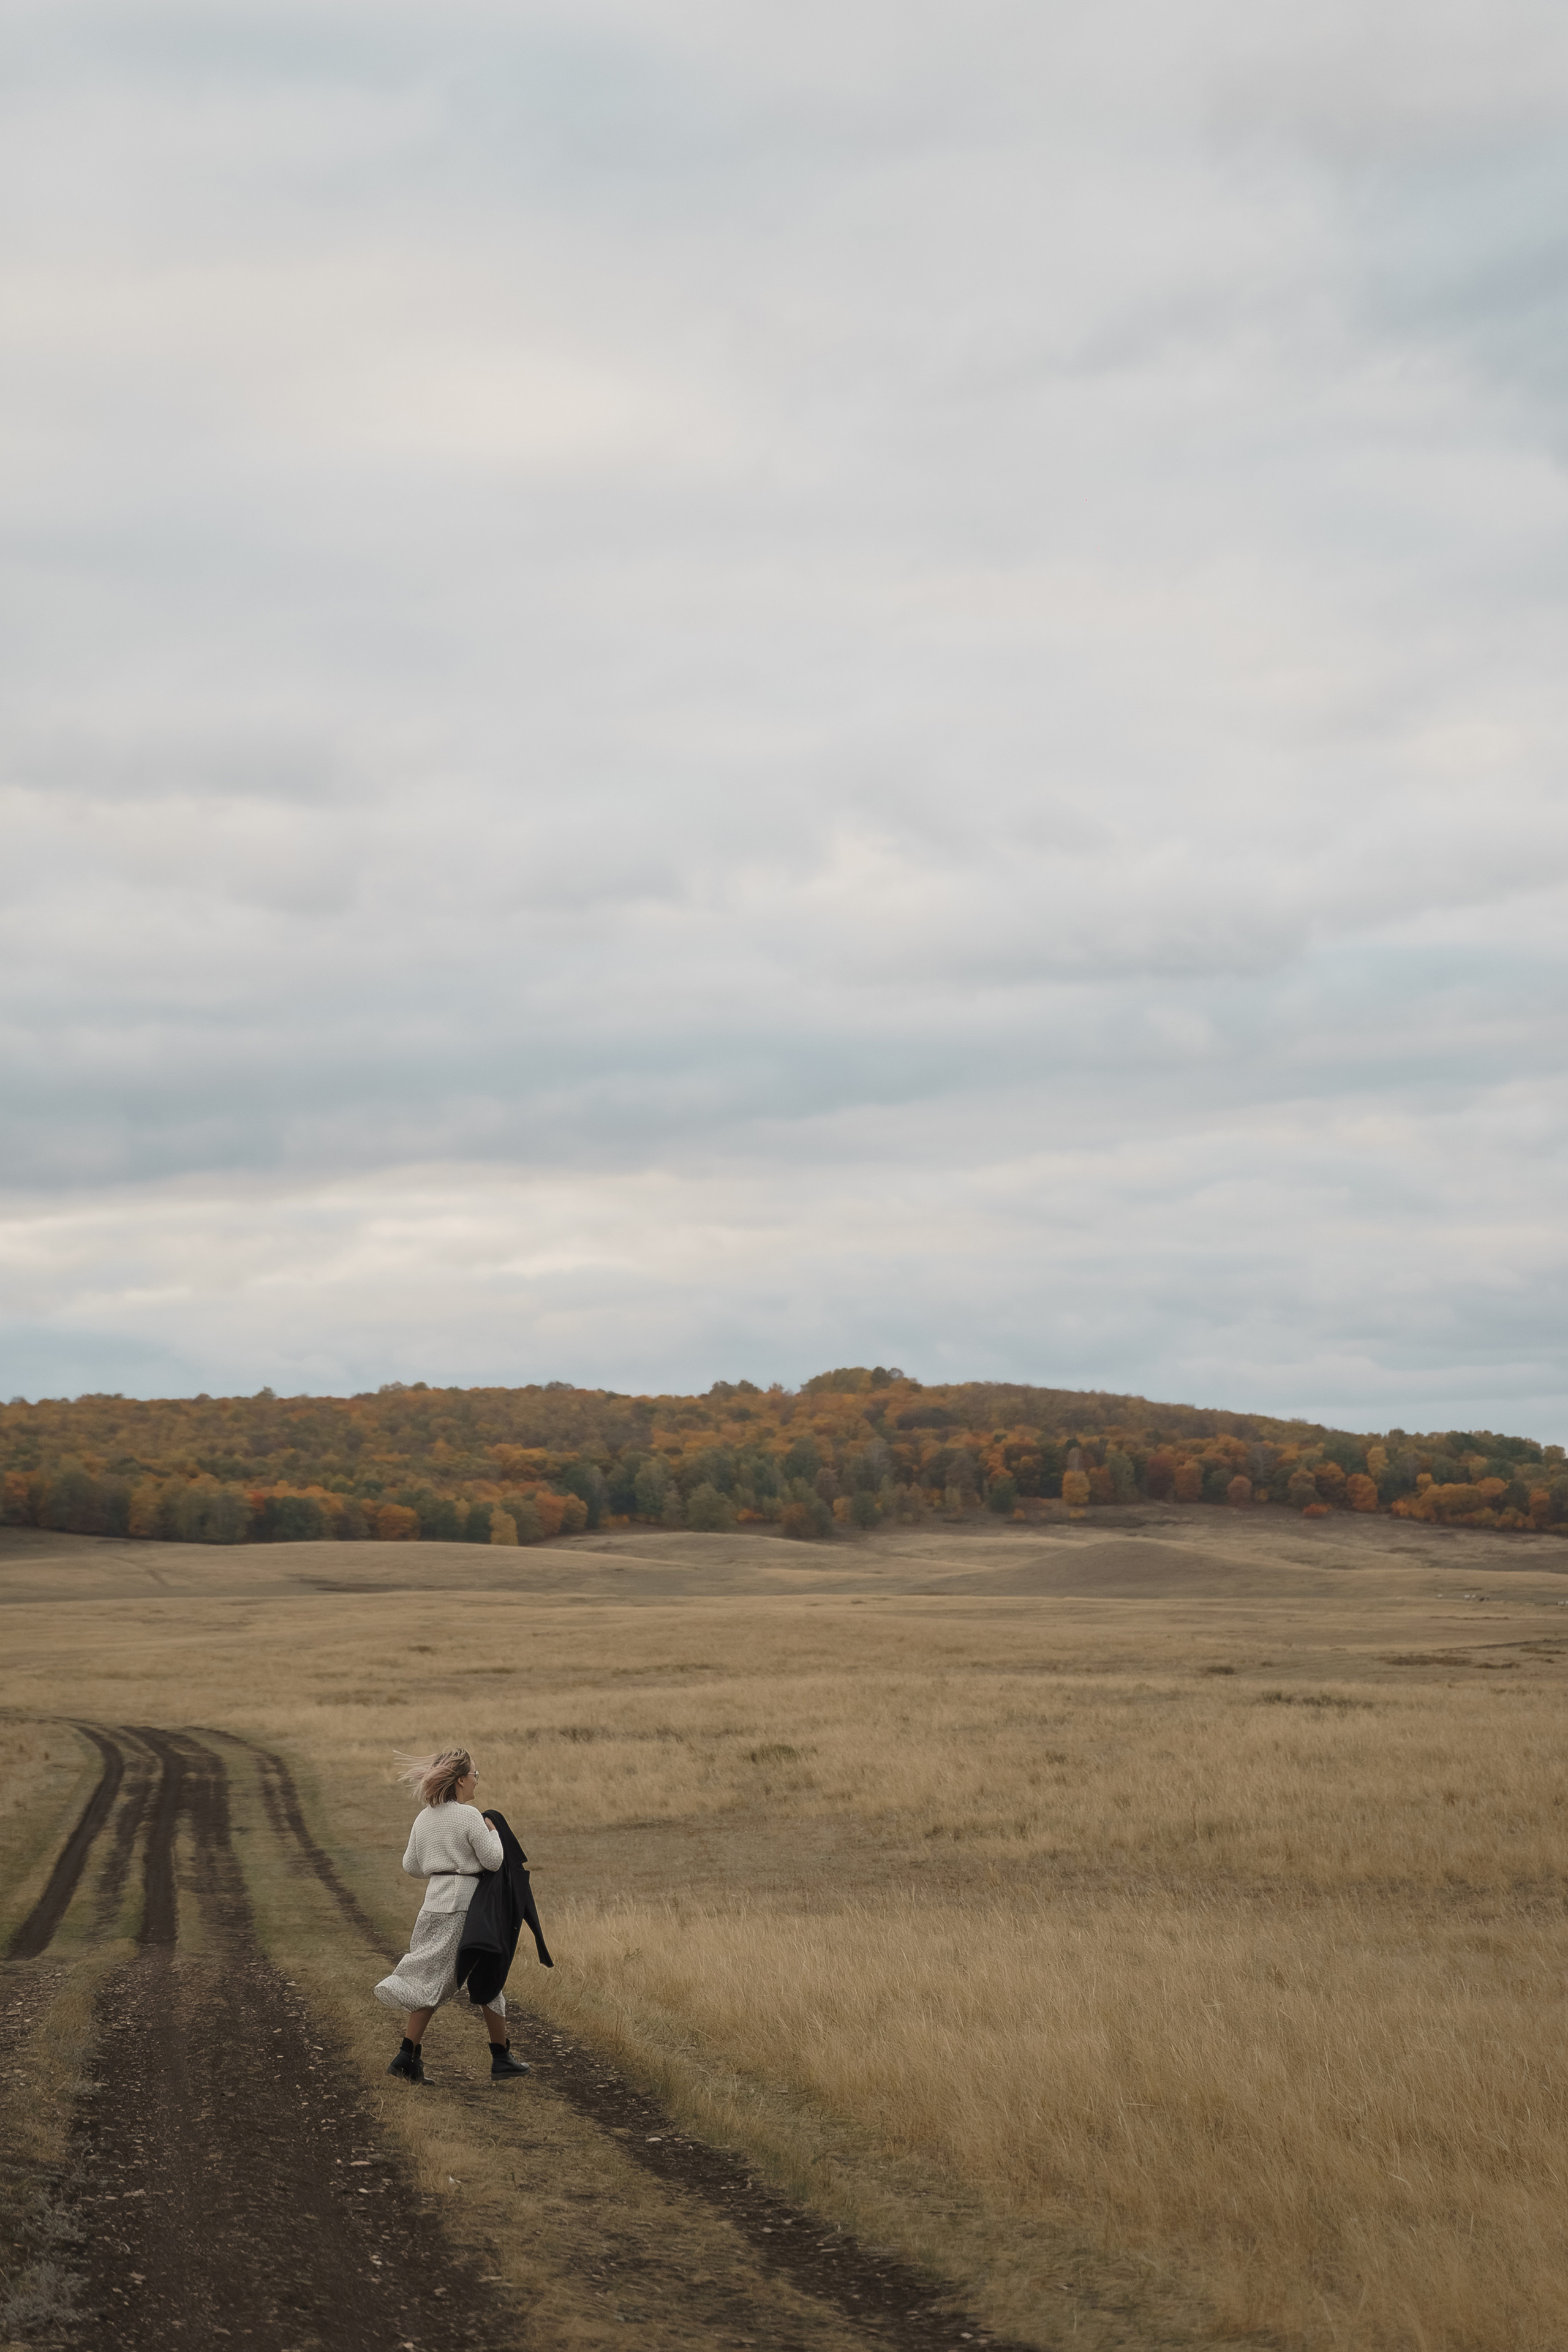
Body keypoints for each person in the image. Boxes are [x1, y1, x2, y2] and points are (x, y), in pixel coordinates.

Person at [375, 1746, 530, 2083]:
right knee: (446, 1980)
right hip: (465, 1909)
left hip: (433, 1904)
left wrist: (439, 1866)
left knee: (465, 1974)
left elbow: (410, 1865)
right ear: (461, 1780)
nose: (477, 1781)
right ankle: (409, 2057)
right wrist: (494, 1831)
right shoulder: (469, 1816)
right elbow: (493, 1861)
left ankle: (495, 2056)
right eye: (475, 1775)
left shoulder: (424, 1818)